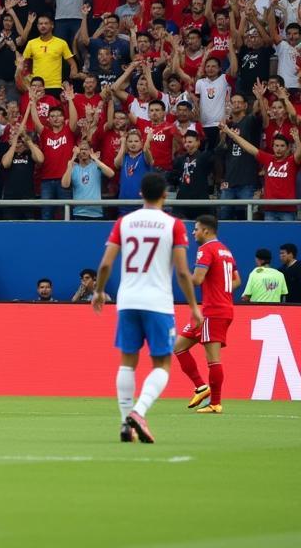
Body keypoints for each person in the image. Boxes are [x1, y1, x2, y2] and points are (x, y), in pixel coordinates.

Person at [92, 172, 203, 444]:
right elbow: (181, 271)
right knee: (162, 364)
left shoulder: (124, 222)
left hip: (127, 301)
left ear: (140, 193)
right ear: (166, 194)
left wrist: (98, 291)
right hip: (157, 303)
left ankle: (124, 422)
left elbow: (106, 264)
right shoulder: (173, 225)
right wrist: (193, 306)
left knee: (127, 362)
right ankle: (139, 413)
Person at [172, 215, 240, 415]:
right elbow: (236, 281)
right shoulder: (225, 250)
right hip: (218, 309)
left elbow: (197, 280)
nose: (193, 232)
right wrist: (221, 289)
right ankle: (202, 387)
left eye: (196, 229)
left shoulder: (206, 250)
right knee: (178, 347)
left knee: (213, 359)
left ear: (206, 231)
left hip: (214, 312)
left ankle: (216, 403)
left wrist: (183, 274)